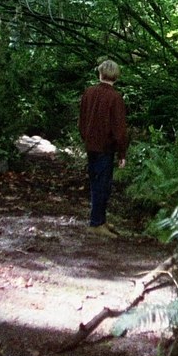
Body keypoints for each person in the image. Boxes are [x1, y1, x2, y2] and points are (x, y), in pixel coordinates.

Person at [78, 59, 128, 238]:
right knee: (102, 185)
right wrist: (122, 153)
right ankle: (96, 223)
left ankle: (100, 219)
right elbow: (119, 129)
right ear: (116, 76)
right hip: (105, 148)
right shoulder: (115, 97)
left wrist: (86, 138)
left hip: (91, 145)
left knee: (96, 183)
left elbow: (81, 121)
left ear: (100, 73)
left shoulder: (89, 92)